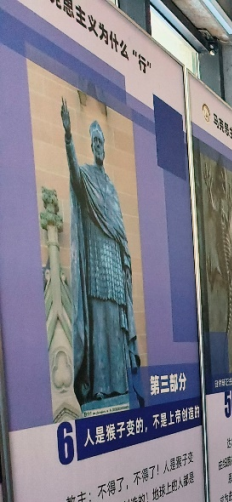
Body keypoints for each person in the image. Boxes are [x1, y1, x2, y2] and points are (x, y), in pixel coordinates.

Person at [62, 99, 139, 407]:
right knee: (100, 328)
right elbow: (74, 176)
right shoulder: (87, 176)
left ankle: (120, 383)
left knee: (117, 330)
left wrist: (124, 259)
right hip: (96, 266)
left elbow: (119, 227)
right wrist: (68, 137)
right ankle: (100, 387)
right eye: (94, 142)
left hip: (115, 270)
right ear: (90, 145)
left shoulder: (110, 185)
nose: (98, 147)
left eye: (100, 142)